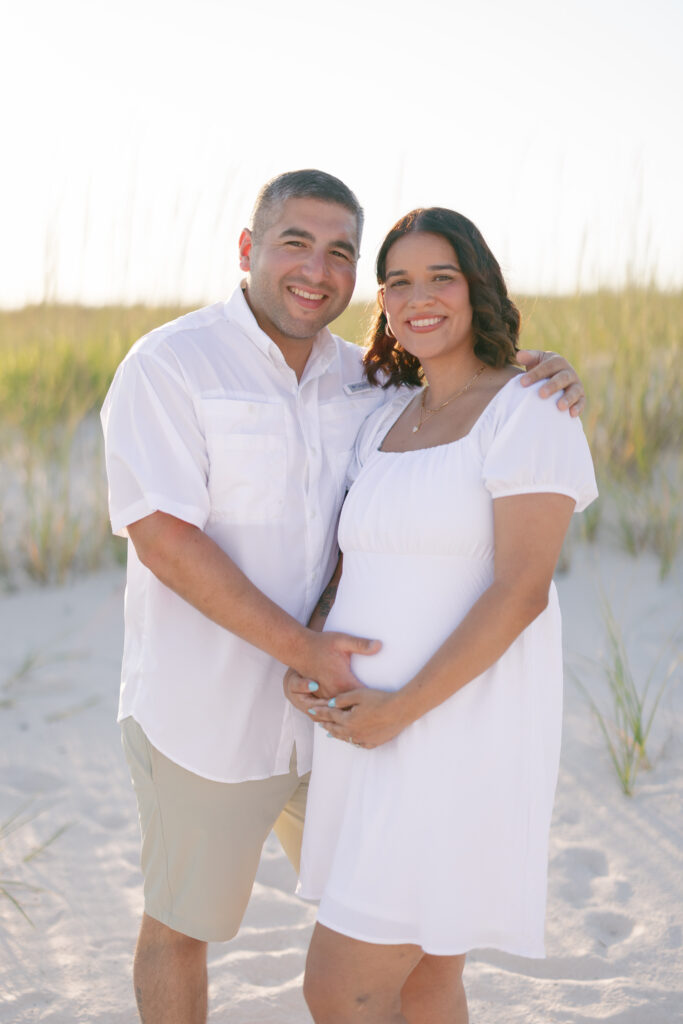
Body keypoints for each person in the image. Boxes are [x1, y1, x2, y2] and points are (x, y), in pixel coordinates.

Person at [101, 171, 585, 1024]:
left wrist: (543, 369)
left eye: (341, 254)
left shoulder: (380, 385)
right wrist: (306, 647)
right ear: (248, 249)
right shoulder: (177, 364)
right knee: (188, 925)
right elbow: (166, 541)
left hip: (385, 726)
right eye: (295, 242)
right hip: (221, 710)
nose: (317, 269)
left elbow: (512, 570)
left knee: (384, 968)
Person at [285, 207, 598, 1024]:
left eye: (439, 278)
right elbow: (355, 559)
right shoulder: (386, 414)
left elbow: (520, 590)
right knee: (423, 980)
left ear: (477, 287)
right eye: (396, 282)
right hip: (366, 730)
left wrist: (400, 711)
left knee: (339, 985)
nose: (416, 298)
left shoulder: (530, 408)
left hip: (450, 732)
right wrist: (311, 649)